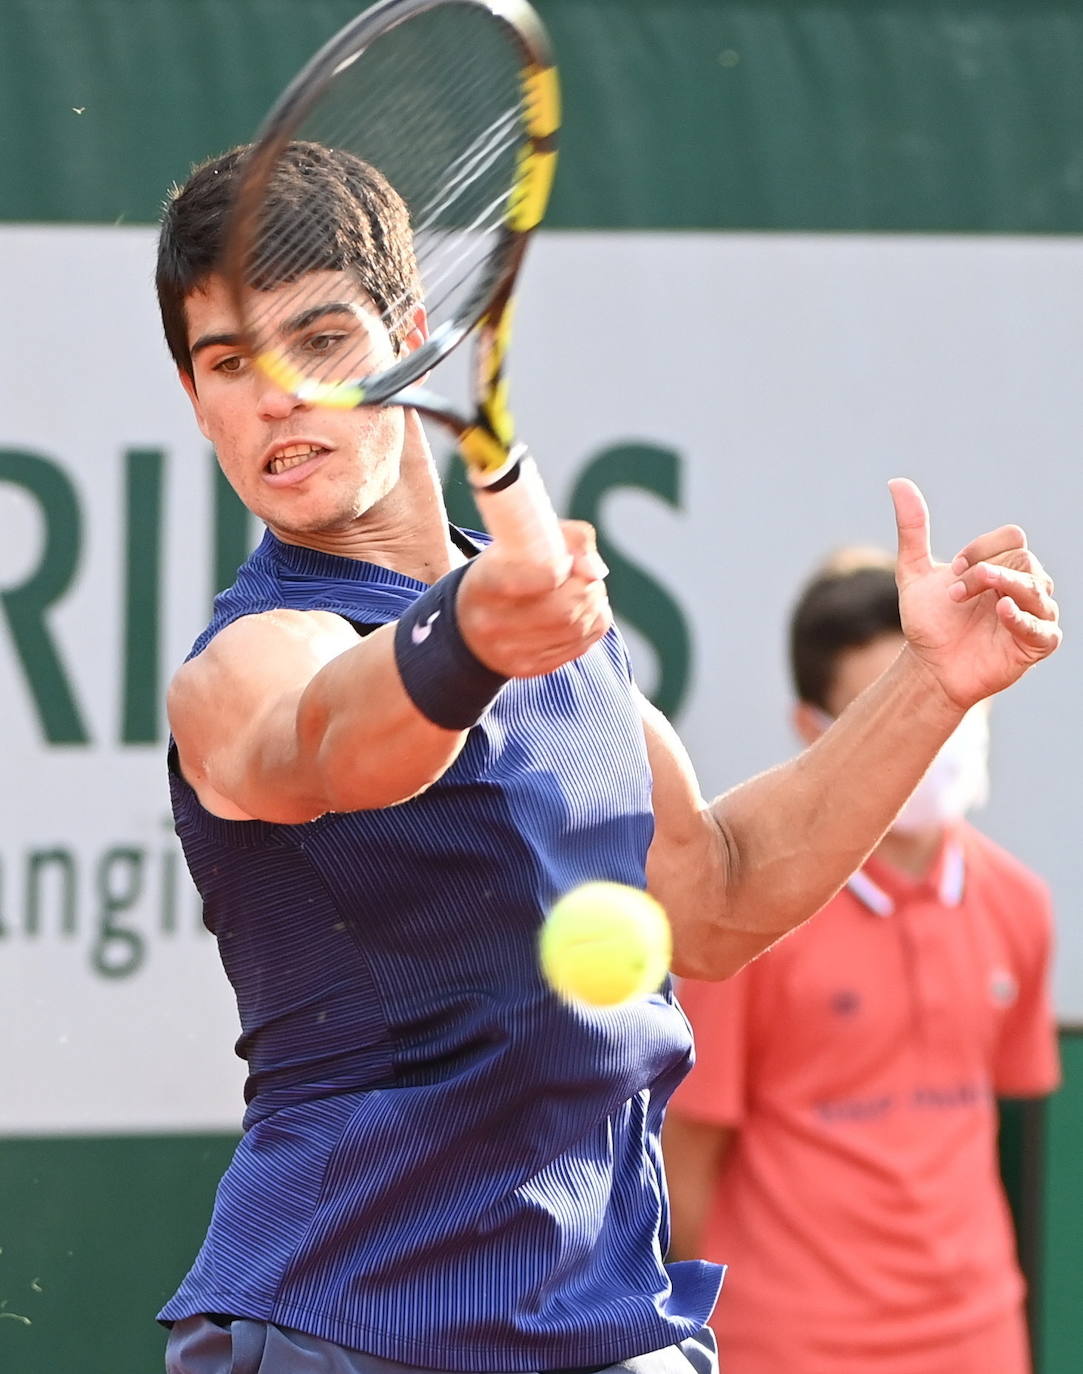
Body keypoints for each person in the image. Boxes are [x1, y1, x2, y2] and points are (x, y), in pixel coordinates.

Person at [153, 141, 1061, 1374]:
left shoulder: (565, 645)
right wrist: (465, 636)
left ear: (413, 338)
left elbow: (722, 894)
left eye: (319, 343)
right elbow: (318, 743)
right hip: (343, 1328)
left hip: (609, 1326)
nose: (276, 397)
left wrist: (934, 683)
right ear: (199, 402)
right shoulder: (252, 658)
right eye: (227, 364)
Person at [663, 548, 1060, 1374]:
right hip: (787, 1347)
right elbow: (683, 1162)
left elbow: (991, 1130)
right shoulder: (743, 922)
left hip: (980, 1340)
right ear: (813, 731)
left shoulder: (1020, 905)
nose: (935, 738)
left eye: (948, 702)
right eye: (897, 710)